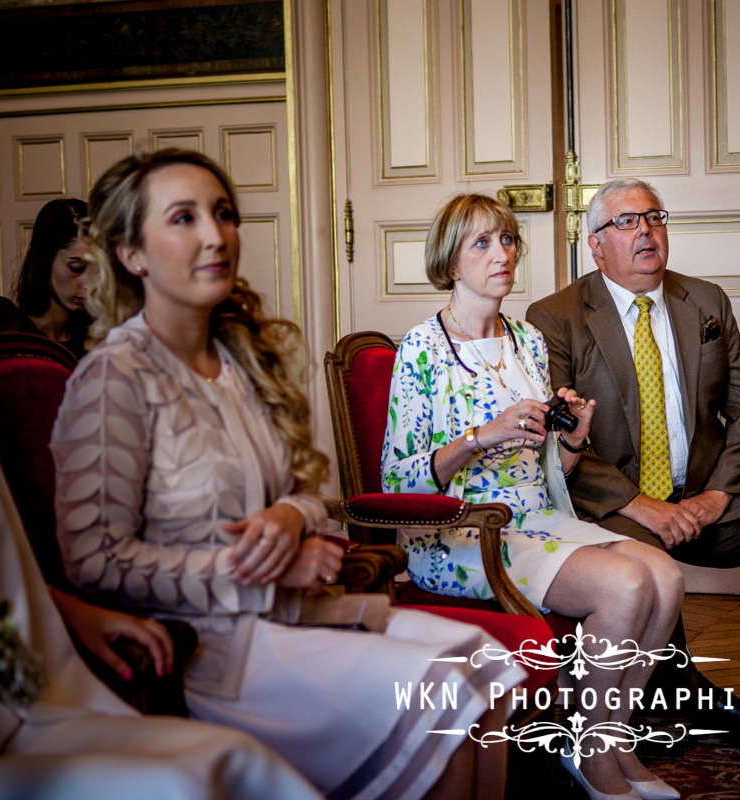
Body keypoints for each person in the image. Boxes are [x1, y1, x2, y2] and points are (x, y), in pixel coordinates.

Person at [51, 149, 524, 800]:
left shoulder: (238, 361)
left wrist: (292, 517)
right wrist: (260, 568)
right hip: (211, 644)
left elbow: (307, 493)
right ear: (132, 254)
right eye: (183, 218)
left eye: (223, 213)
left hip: (293, 610)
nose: (216, 235)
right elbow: (92, 563)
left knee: (488, 661)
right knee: (443, 690)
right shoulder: (114, 377)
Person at [526, 178, 740, 755]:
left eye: (654, 218)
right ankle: (666, 699)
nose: (646, 232)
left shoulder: (705, 301)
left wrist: (717, 497)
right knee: (644, 556)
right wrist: (643, 507)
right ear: (596, 244)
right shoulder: (556, 316)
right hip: (615, 504)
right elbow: (557, 441)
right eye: (626, 222)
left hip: (706, 490)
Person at [382, 193, 685, 800]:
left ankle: (611, 737)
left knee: (666, 575)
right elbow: (397, 481)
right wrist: (478, 438)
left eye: (508, 240)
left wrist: (572, 438)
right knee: (624, 585)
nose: (503, 254)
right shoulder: (422, 350)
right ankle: (592, 753)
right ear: (449, 262)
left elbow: (551, 468)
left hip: (538, 514)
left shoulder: (528, 342)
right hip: (463, 533)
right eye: (483, 243)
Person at [0, 409, 322, 800]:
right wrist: (260, 570)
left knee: (235, 759)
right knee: (180, 783)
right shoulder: (116, 383)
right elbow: (103, 559)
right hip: (216, 632)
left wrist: (68, 610)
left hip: (21, 686)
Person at [12, 198, 93, 359]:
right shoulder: (12, 334)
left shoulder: (100, 337)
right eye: (76, 268)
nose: (89, 284)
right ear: (44, 260)